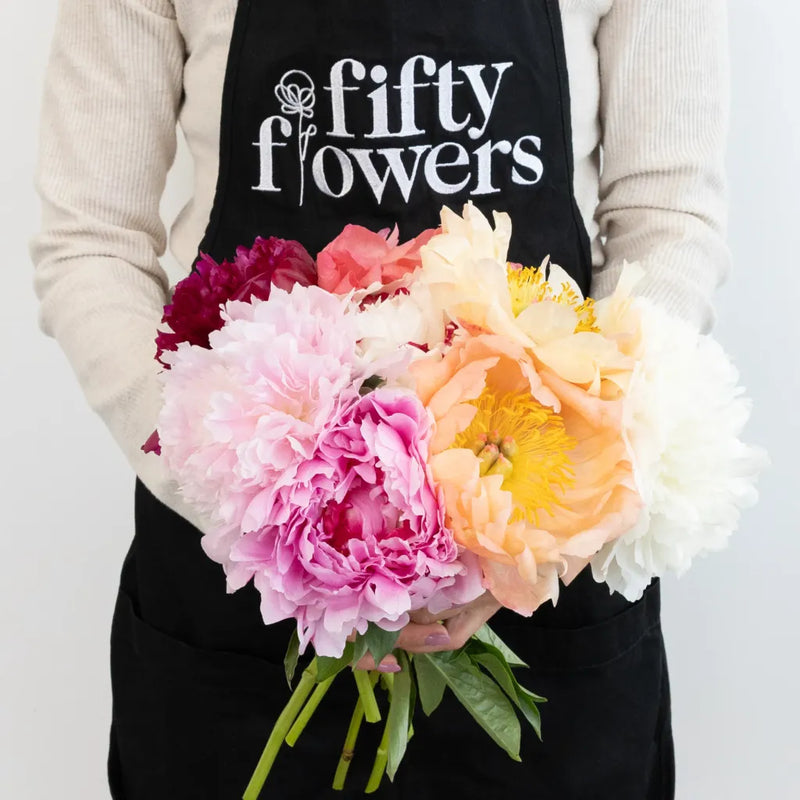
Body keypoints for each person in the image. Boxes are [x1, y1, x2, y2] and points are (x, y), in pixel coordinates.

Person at [30, 1, 731, 798]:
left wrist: (525, 533)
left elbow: (669, 219)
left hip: (542, 581)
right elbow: (92, 240)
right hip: (241, 592)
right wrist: (269, 514)